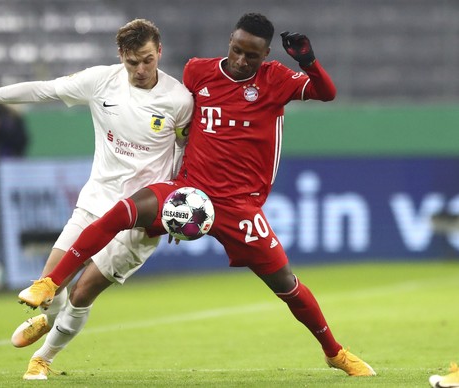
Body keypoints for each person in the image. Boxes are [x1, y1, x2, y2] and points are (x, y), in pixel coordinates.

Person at [19, 13, 376, 377]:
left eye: (251, 56)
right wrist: (176, 212)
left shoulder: (277, 80)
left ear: (266, 55)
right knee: (124, 210)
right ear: (230, 43)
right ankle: (48, 283)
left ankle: (334, 351)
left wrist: (308, 62)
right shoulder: (197, 72)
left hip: (240, 207)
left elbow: (326, 93)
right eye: (236, 50)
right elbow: (180, 134)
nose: (240, 60)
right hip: (189, 193)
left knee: (285, 283)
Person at [0, 19, 193, 380]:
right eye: (132, 61)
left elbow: (185, 153)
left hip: (141, 215)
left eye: (148, 60)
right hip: (97, 201)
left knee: (82, 292)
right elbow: (44, 90)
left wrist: (174, 206)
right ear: (120, 55)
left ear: (160, 52)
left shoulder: (179, 100)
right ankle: (49, 317)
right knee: (48, 286)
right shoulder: (101, 81)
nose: (140, 69)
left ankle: (43, 358)